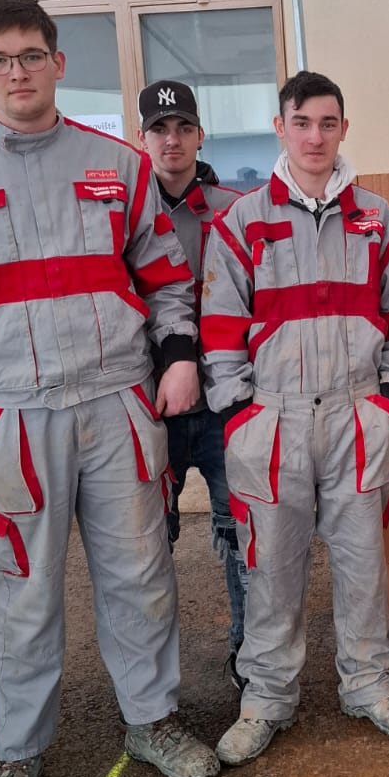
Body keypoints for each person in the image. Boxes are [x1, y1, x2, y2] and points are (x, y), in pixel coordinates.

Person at [0, 0, 220, 777]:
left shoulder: (120, 167)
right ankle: (16, 754)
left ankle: (152, 721)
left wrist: (180, 356)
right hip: (13, 423)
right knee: (25, 595)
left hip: (117, 408)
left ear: (59, 63)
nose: (18, 72)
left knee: (140, 577)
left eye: (32, 55)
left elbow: (166, 278)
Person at [202, 70, 389, 766]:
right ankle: (266, 700)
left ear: (343, 129)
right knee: (271, 567)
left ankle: (370, 686)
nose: (314, 137)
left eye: (328, 123)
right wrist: (240, 415)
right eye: (301, 123)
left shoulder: (377, 218)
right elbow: (219, 329)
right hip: (273, 420)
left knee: (363, 563)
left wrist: (388, 402)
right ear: (280, 128)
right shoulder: (243, 222)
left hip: (358, 415)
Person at [137, 79, 249, 684]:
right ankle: (153, 681)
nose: (172, 140)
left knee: (244, 533)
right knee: (147, 542)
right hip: (150, 406)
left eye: (183, 128)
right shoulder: (123, 216)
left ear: (201, 135)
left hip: (228, 403)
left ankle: (249, 657)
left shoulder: (237, 209)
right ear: (142, 139)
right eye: (159, 129)